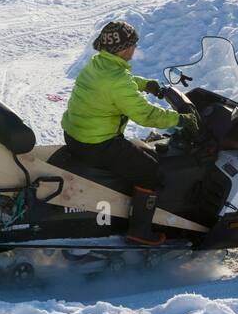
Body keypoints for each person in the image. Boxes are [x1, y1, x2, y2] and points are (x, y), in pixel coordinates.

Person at [61, 20, 195, 245]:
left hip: (76, 136)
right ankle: (140, 232)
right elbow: (146, 115)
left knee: (143, 151)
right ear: (124, 48)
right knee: (151, 172)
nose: (135, 49)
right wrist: (180, 120)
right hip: (97, 145)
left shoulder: (98, 63)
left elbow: (119, 83)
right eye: (133, 44)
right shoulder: (117, 80)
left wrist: (145, 85)